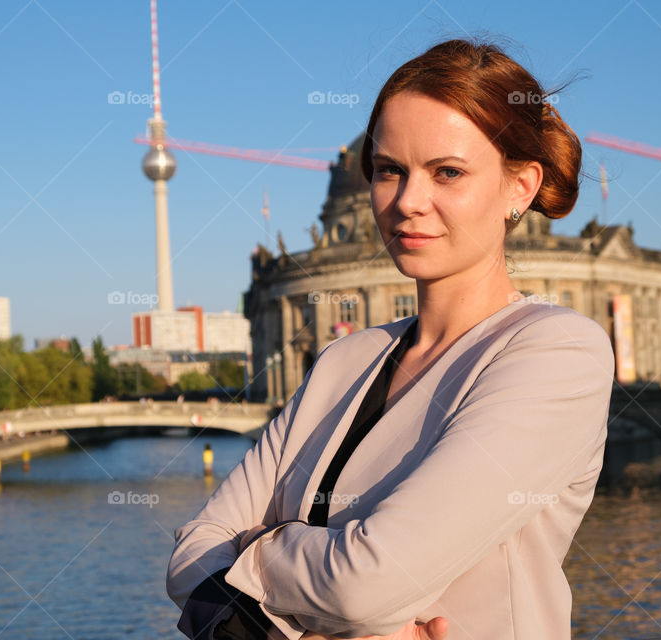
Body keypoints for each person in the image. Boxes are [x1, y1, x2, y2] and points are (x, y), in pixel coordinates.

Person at [167, 38, 614, 640]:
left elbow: (367, 580)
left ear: (520, 187)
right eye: (389, 171)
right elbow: (191, 554)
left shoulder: (557, 352)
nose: (408, 202)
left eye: (447, 172)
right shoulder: (343, 361)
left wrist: (256, 550)